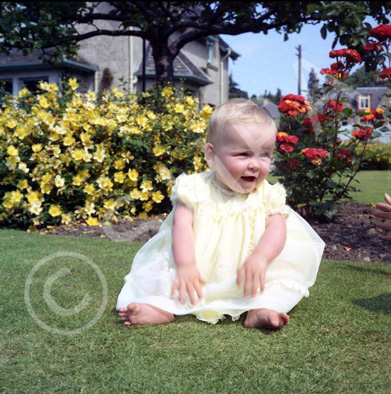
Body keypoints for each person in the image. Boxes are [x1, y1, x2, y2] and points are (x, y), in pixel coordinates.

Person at [117, 98, 325, 330]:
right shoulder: (194, 189)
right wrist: (186, 265)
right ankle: (159, 307)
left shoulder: (267, 194)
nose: (255, 165)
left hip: (248, 270)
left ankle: (260, 309)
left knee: (277, 282)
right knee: (168, 277)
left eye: (264, 154)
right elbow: (182, 226)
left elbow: (278, 229)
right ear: (212, 156)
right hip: (197, 268)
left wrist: (261, 258)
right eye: (243, 154)